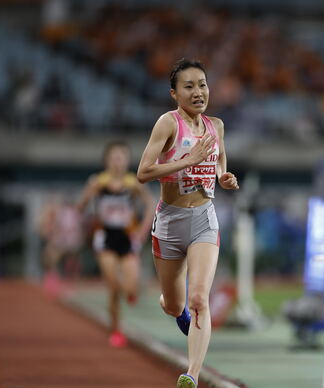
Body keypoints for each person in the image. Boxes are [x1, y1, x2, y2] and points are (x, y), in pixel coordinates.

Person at [136, 59, 239, 388]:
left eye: (203, 85)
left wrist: (222, 175)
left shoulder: (216, 126)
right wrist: (186, 161)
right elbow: (143, 173)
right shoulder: (168, 124)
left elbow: (220, 157)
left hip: (203, 220)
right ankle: (173, 307)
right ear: (174, 94)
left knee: (199, 300)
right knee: (175, 304)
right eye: (189, 86)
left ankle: (191, 375)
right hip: (169, 222)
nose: (198, 92)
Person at [77, 140, 155, 347]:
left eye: (122, 157)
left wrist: (142, 230)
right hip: (105, 236)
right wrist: (88, 195)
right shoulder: (98, 181)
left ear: (127, 160)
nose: (118, 161)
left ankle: (130, 294)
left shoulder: (133, 183)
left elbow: (151, 205)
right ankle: (116, 329)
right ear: (107, 160)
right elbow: (81, 207)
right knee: (113, 285)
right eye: (114, 157)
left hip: (128, 236)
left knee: (129, 288)